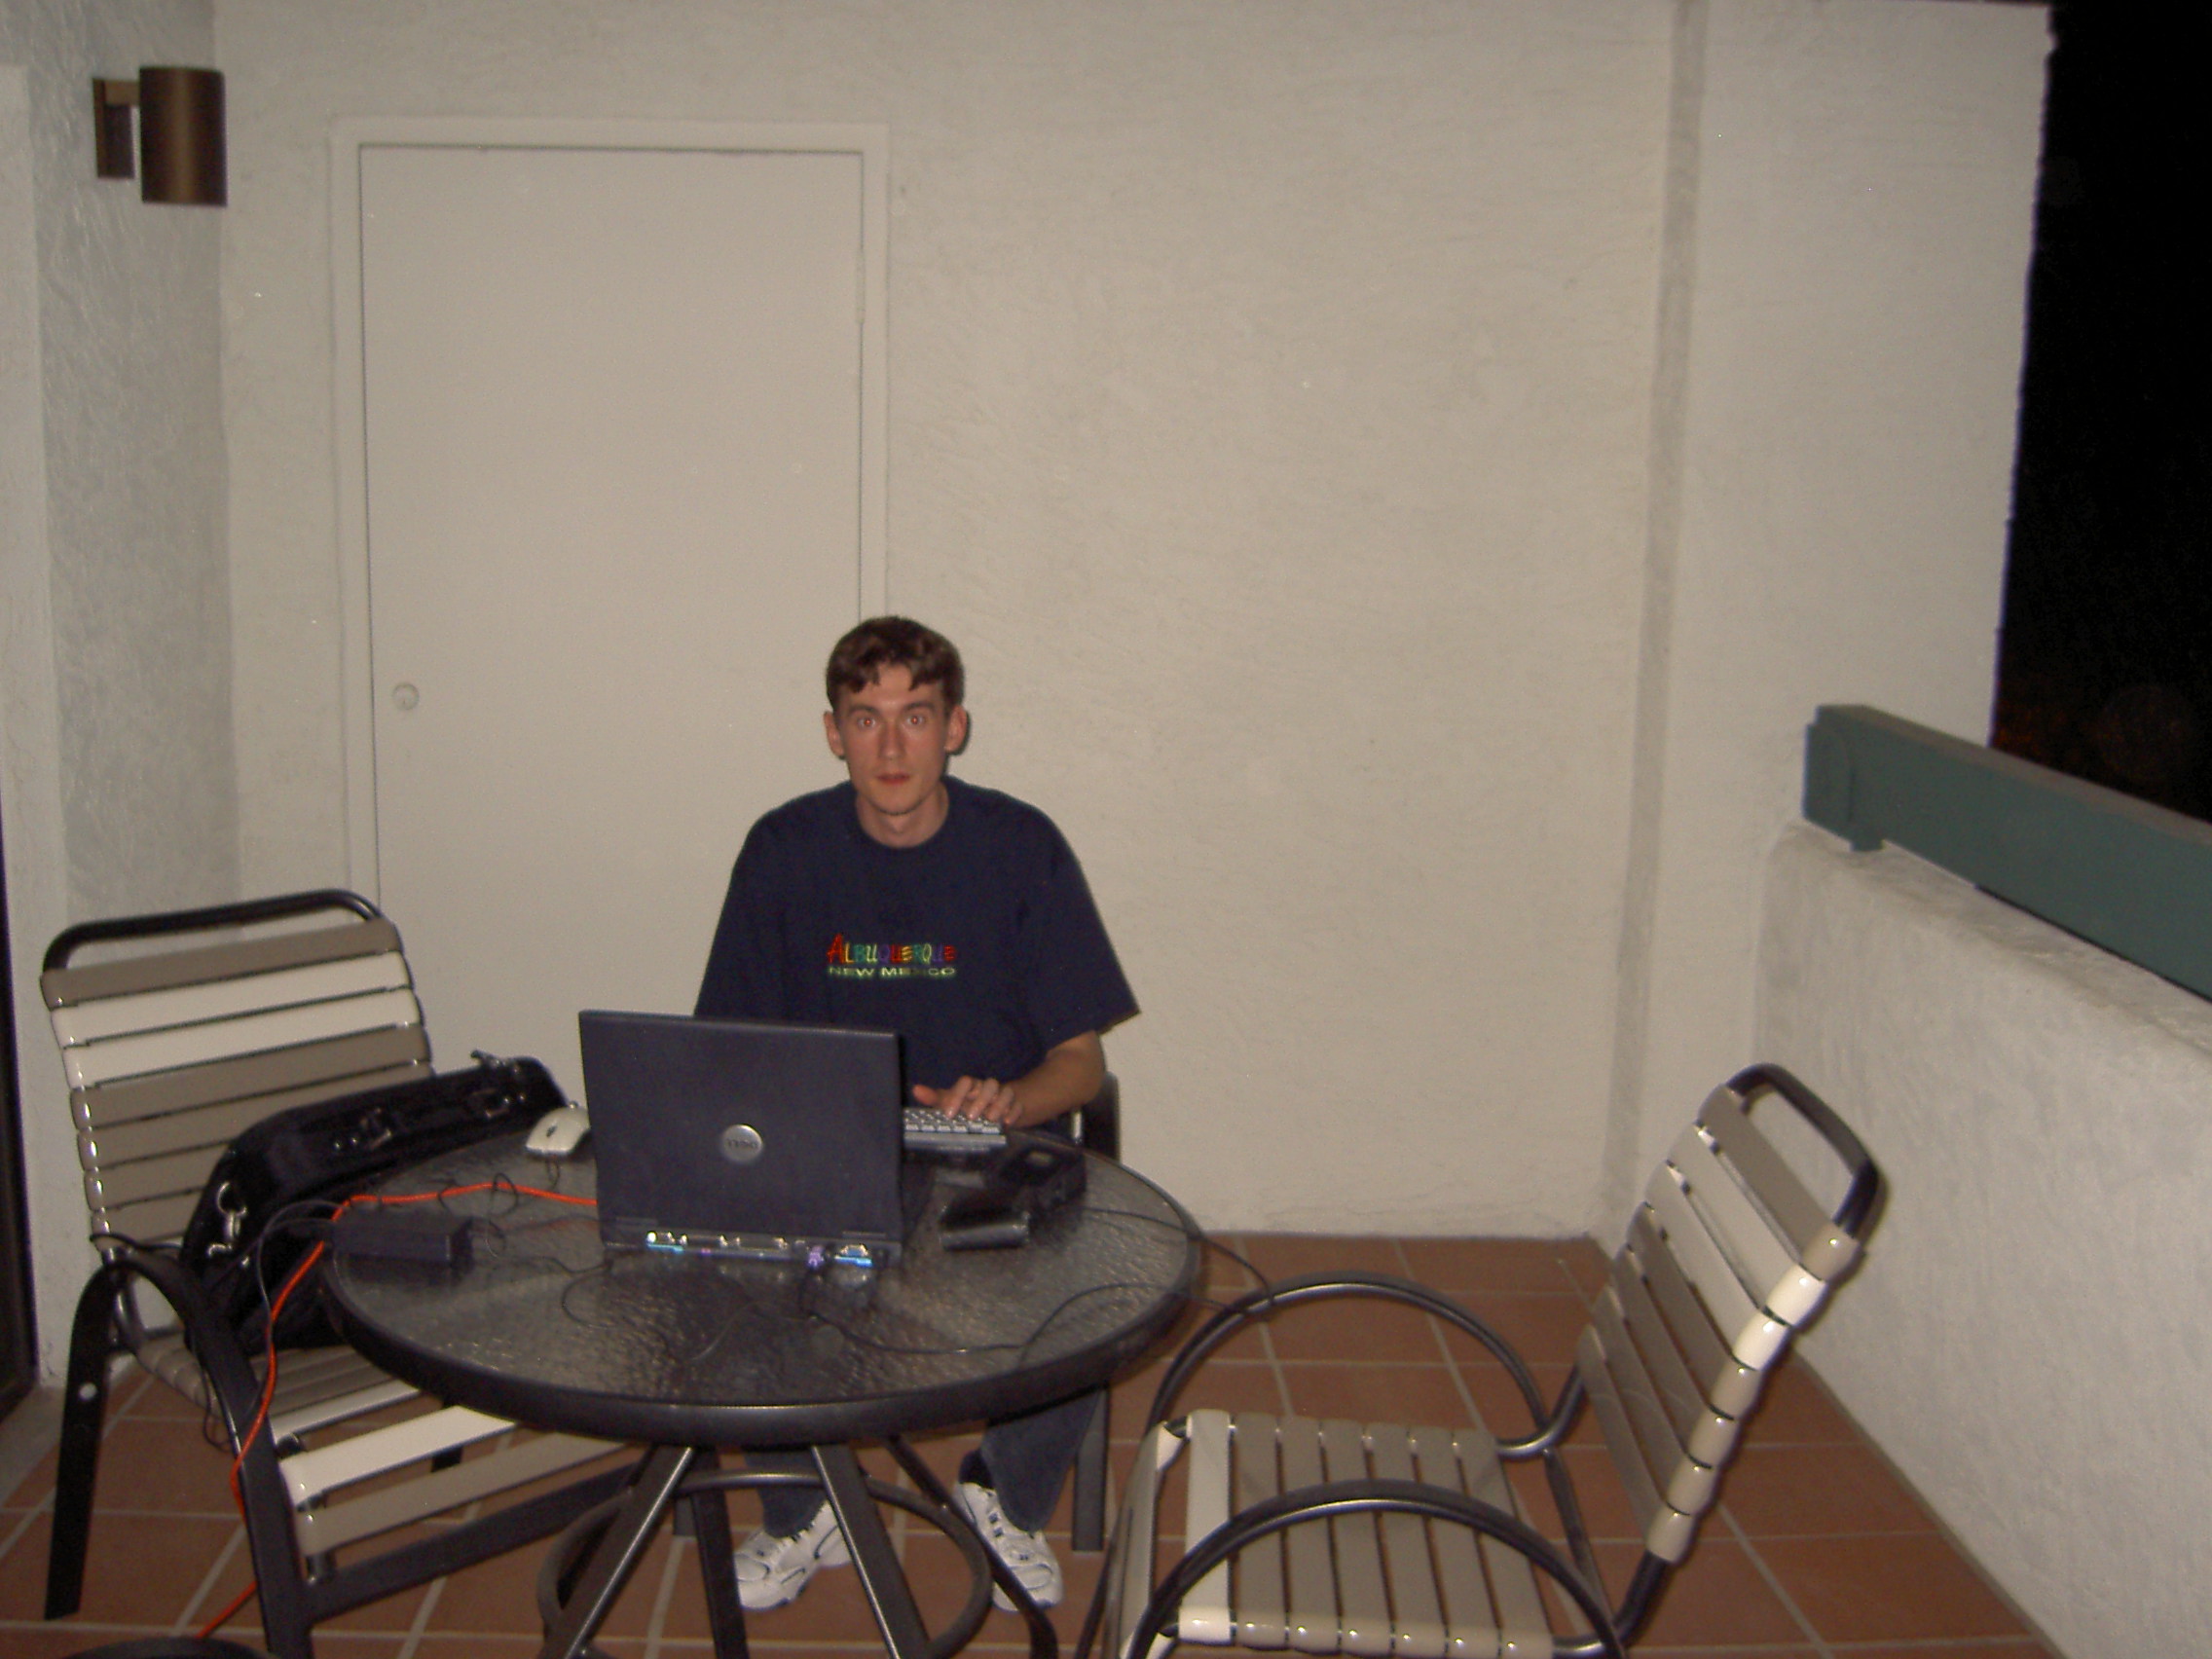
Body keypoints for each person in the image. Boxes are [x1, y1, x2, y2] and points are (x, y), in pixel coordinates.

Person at [695, 615, 1137, 1612]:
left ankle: (1003, 1497)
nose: (891, 746)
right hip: (827, 1157)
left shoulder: (1022, 849)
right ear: (832, 733)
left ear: (955, 728)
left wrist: (1012, 1099)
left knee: (1100, 1284)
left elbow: (1081, 1064)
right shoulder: (781, 851)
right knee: (711, 1260)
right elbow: (727, 1053)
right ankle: (803, 1505)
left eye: (916, 716)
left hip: (993, 1157)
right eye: (866, 719)